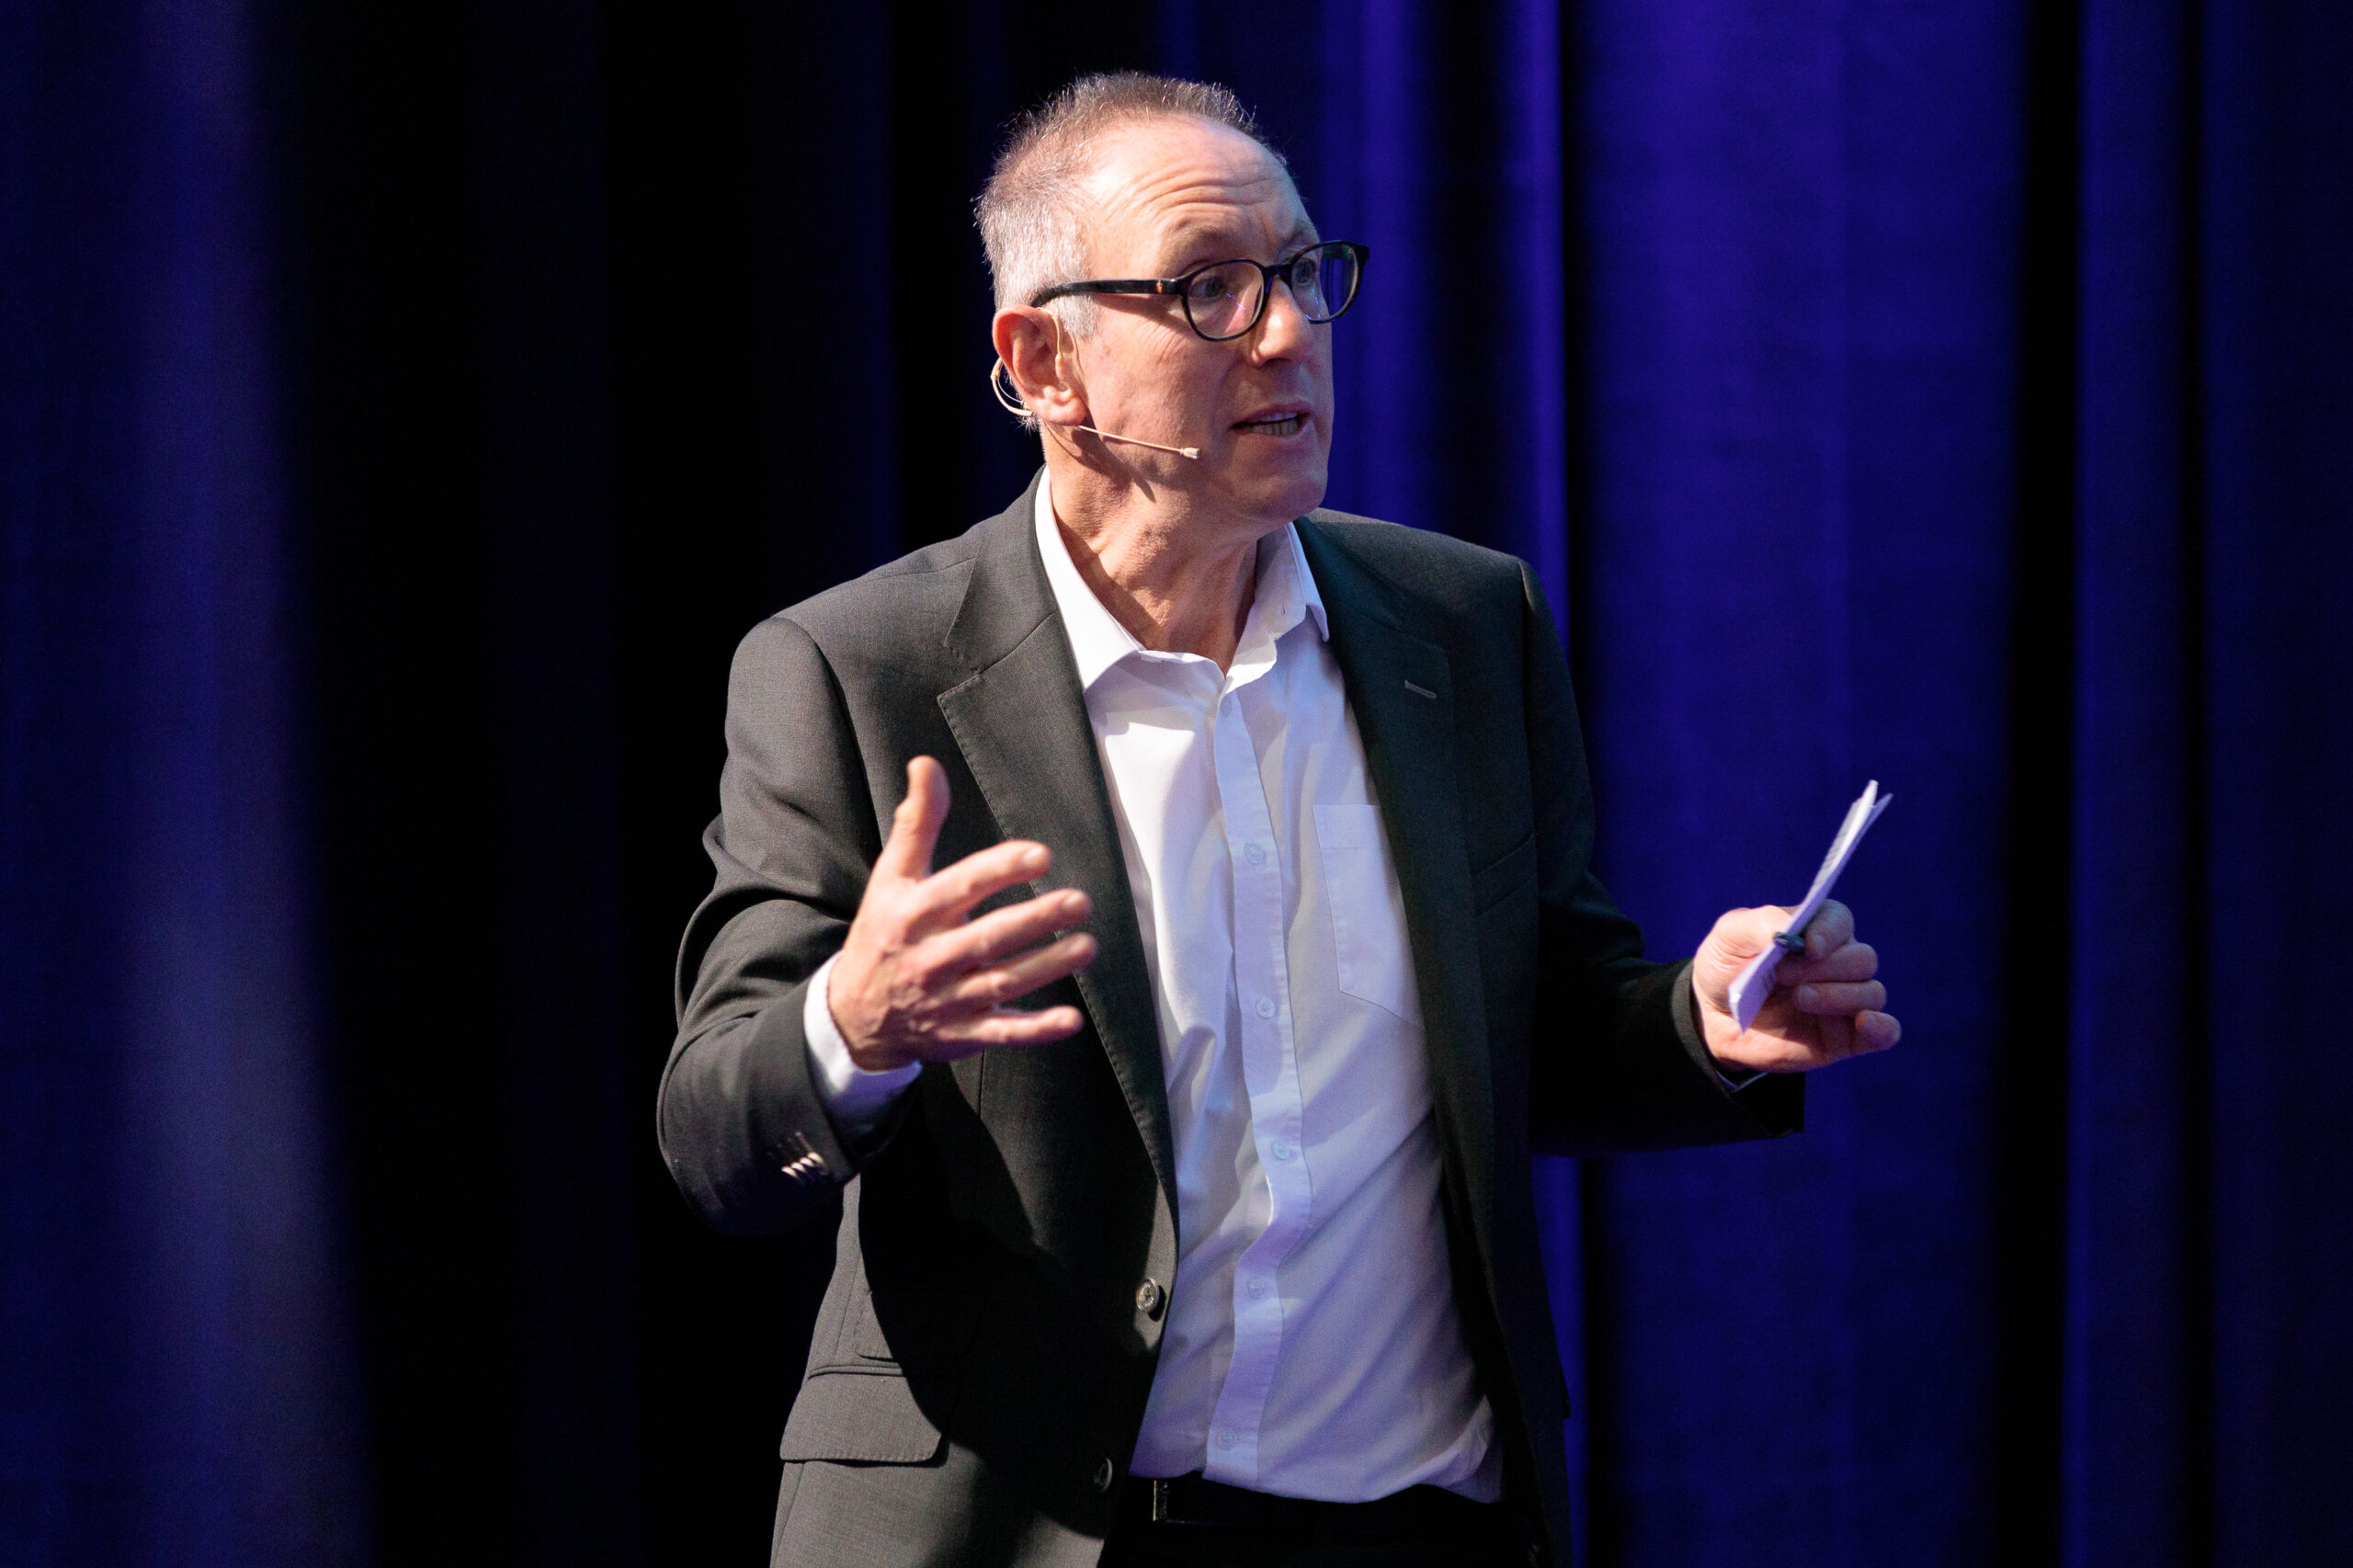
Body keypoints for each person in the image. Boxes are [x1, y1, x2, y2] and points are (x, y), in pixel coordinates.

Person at [658, 72, 1897, 1568]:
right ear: (1044, 362)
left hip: (1414, 1521)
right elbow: (715, 1135)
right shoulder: (860, 670)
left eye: (1304, 273)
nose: (1288, 330)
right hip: (1031, 1527)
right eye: (1209, 289)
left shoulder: (1465, 625)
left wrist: (1707, 1018)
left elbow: (1535, 1031)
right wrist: (852, 1026)